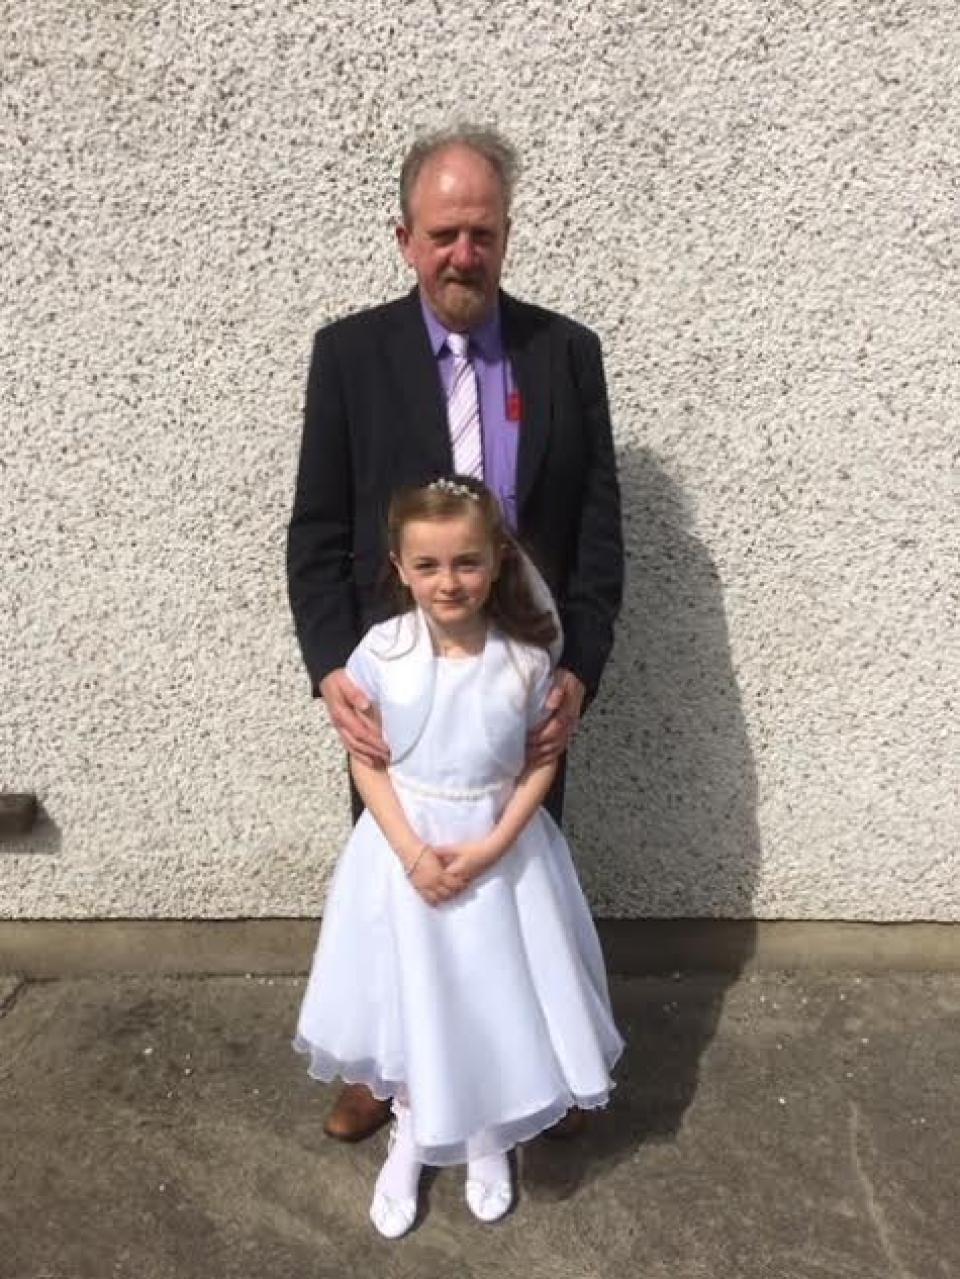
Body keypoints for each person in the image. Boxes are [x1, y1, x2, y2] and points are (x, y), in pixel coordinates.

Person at [287, 123, 624, 1142]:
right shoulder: (349, 355)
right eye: (443, 233)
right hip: (397, 683)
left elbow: (600, 530)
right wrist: (328, 673)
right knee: (396, 878)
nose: (462, 254)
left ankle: (520, 1072)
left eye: (481, 232)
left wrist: (584, 673)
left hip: (526, 680)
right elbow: (317, 527)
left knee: (510, 881)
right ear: (405, 237)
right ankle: (382, 1064)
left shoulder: (566, 354)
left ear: (508, 235)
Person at [294, 478, 623, 1238]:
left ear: (497, 561)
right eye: (430, 565)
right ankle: (411, 1133)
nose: (450, 581)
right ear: (401, 567)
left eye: (468, 563)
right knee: (412, 990)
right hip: (403, 852)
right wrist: (411, 852)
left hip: (498, 854)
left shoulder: (526, 659)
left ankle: (485, 1135)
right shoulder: (381, 650)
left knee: (486, 988)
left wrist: (493, 845)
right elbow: (366, 760)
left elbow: (544, 759)